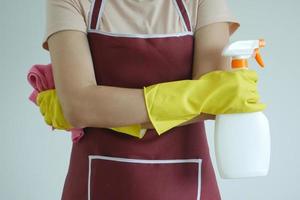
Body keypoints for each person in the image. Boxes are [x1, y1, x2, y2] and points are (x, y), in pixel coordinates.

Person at [40, 0, 264, 199]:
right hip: (95, 184)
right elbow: (79, 107)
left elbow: (214, 102)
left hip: (187, 183)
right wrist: (198, 96)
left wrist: (101, 107)